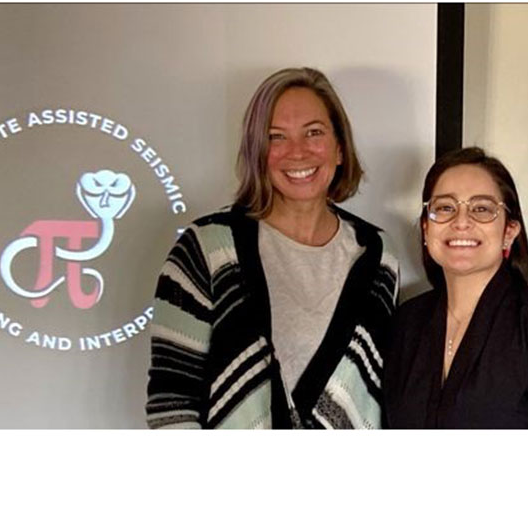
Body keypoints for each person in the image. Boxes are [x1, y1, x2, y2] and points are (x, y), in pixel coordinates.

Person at [146, 67, 399, 429]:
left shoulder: (379, 256)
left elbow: (377, 393)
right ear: (258, 152)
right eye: (276, 137)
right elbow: (171, 402)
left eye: (314, 133)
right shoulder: (207, 249)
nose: (297, 152)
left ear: (340, 148)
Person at [384, 147, 528, 428]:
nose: (461, 222)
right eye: (445, 208)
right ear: (426, 229)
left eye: (482, 209)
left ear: (509, 231)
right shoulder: (405, 323)